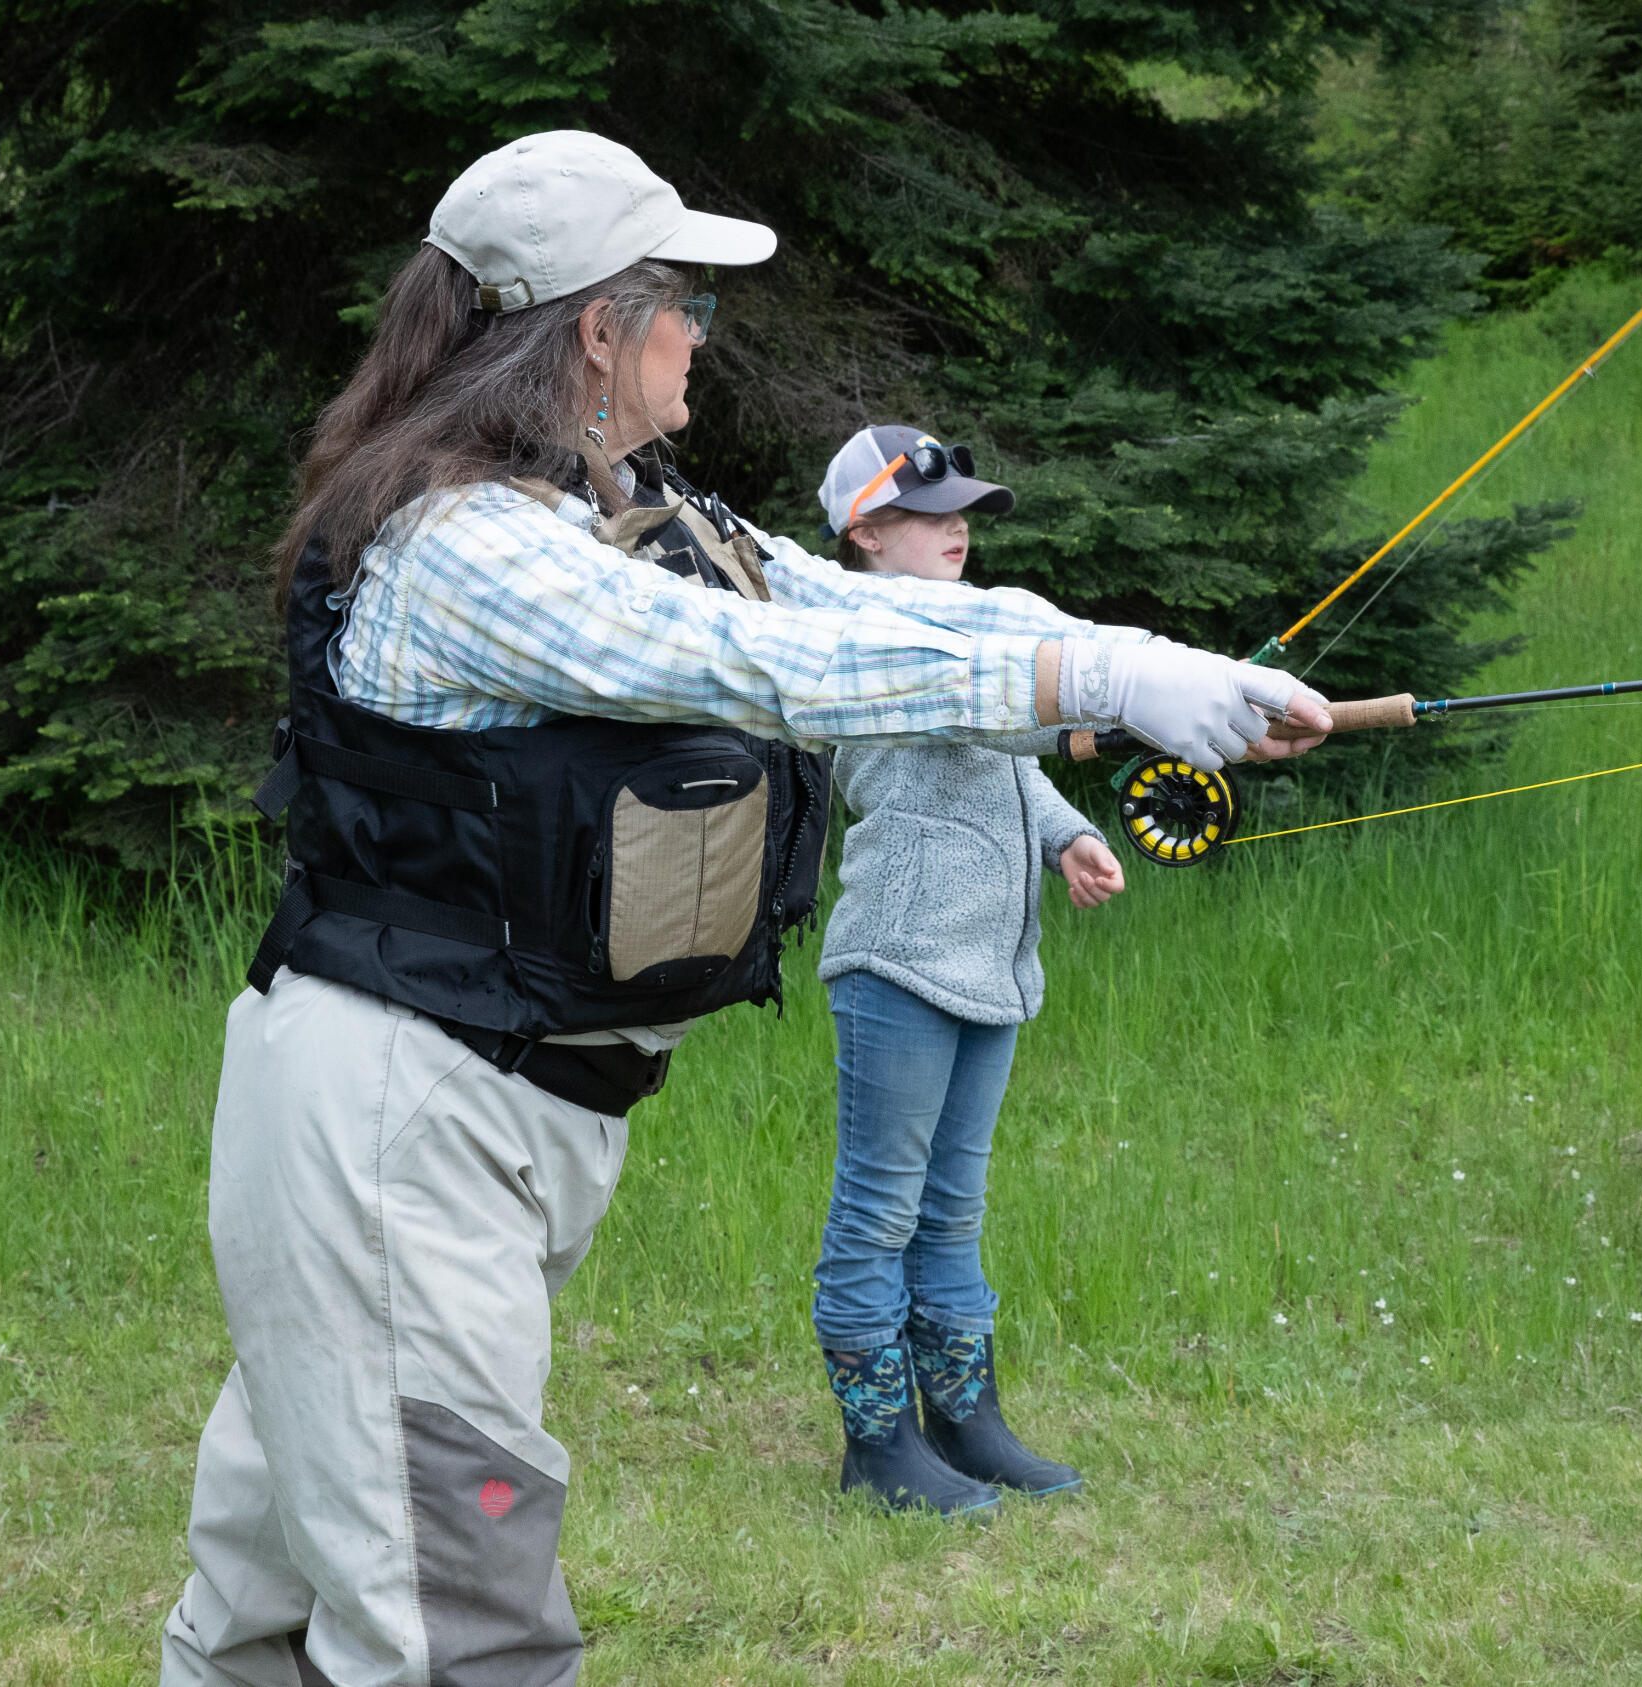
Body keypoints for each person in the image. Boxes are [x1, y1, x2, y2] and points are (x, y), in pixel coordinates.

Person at [161, 131, 1331, 1687]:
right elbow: (765, 667)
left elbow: (846, 603)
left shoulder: (607, 505)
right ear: (596, 325)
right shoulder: (471, 549)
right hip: (400, 1123)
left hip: (486, 1110)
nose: (700, 340)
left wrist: (1134, 655)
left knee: (278, 1610)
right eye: (685, 309)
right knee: (460, 1624)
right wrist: (1094, 682)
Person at [800, 426, 1129, 1518]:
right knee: (880, 1210)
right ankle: (877, 1441)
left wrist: (1065, 832)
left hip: (989, 965)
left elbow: (992, 753)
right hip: (898, 961)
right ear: (865, 535)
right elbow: (990, 713)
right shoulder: (865, 636)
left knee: (953, 1208)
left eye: (961, 513)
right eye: (929, 516)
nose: (957, 531)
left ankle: (964, 1421)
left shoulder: (966, 632)